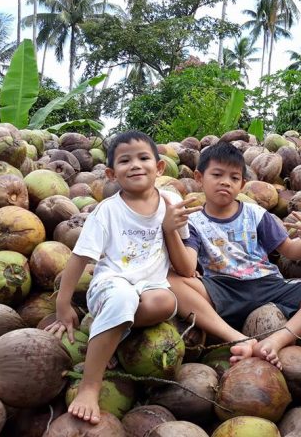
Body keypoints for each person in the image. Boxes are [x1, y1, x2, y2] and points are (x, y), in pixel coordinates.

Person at [46, 130, 201, 425]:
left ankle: (107, 332)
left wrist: (169, 228)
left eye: (143, 158)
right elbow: (79, 258)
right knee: (123, 298)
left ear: (159, 167)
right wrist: (62, 304)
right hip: (111, 283)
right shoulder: (107, 211)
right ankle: (90, 385)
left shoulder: (171, 200)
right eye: (125, 160)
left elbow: (184, 266)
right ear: (111, 173)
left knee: (167, 303)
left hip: (151, 286)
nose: (135, 165)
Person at [164, 141, 301, 367]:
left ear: (242, 184)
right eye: (217, 174)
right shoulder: (193, 221)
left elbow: (291, 251)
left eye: (234, 178)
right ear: (198, 177)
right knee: (169, 280)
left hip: (268, 286)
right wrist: (170, 229)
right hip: (222, 291)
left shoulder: (256, 213)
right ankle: (238, 338)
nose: (225, 182)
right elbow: (187, 268)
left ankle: (278, 339)